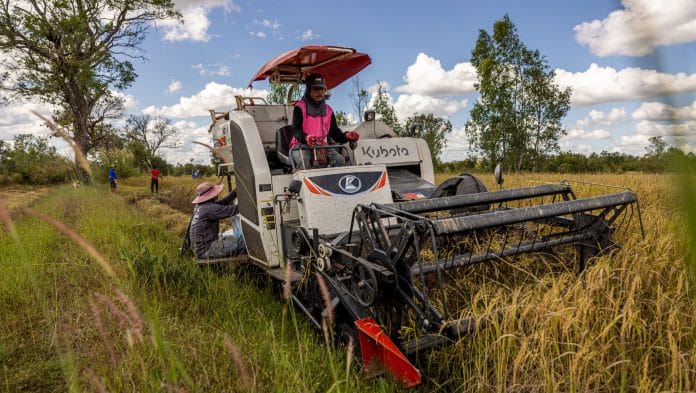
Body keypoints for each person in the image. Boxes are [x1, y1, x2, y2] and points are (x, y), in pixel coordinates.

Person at [289, 73, 360, 169]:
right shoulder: (299, 107)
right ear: (309, 90)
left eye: (322, 89)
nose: (320, 92)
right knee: (304, 161)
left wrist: (347, 136)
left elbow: (334, 132)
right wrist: (306, 138)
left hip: (321, 146)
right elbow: (295, 130)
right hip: (301, 145)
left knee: (340, 161)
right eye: (316, 89)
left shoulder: (329, 110)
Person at [188, 182, 246, 259]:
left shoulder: (201, 206)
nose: (217, 194)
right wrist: (250, 204)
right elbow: (234, 209)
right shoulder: (210, 208)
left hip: (199, 249)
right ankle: (241, 265)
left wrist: (234, 193)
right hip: (207, 250)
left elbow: (222, 203)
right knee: (244, 243)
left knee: (234, 239)